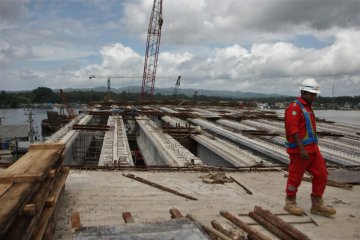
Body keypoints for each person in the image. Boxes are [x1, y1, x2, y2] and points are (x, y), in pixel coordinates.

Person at [283, 78, 336, 217]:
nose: (314, 97)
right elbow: (293, 130)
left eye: (315, 94)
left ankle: (317, 204)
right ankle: (290, 202)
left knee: (322, 174)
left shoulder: (307, 108)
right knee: (295, 177)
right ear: (303, 93)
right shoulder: (295, 108)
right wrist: (302, 150)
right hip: (300, 151)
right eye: (311, 94)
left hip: (312, 149)